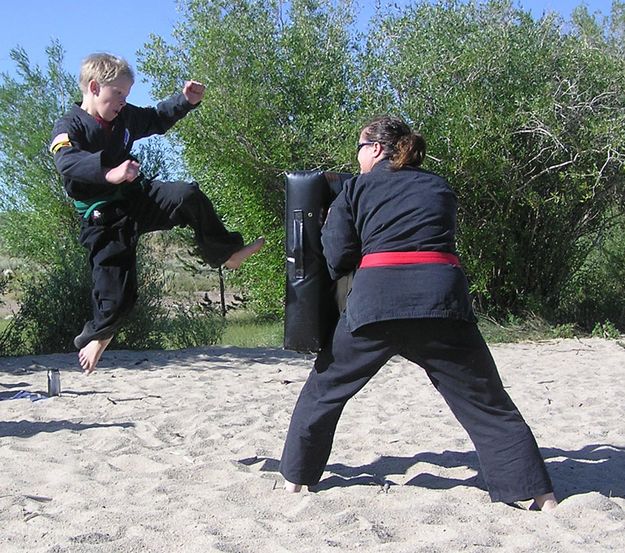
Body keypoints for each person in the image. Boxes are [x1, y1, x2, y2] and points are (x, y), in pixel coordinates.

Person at [279, 116, 557, 511]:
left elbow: (338, 256)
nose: (356, 158)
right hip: (442, 302)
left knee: (324, 391)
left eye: (359, 148)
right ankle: (540, 495)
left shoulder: (356, 189)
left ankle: (295, 480)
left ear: (375, 149)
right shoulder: (438, 186)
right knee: (486, 402)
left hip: (376, 305)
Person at [50, 53, 264, 375]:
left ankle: (227, 253)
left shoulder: (123, 118)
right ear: (94, 87)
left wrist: (185, 101)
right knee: (120, 296)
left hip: (135, 198)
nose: (123, 102)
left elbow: (154, 117)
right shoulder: (69, 126)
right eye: (118, 94)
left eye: (127, 95)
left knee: (186, 196)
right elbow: (67, 162)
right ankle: (96, 336)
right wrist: (110, 173)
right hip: (103, 218)